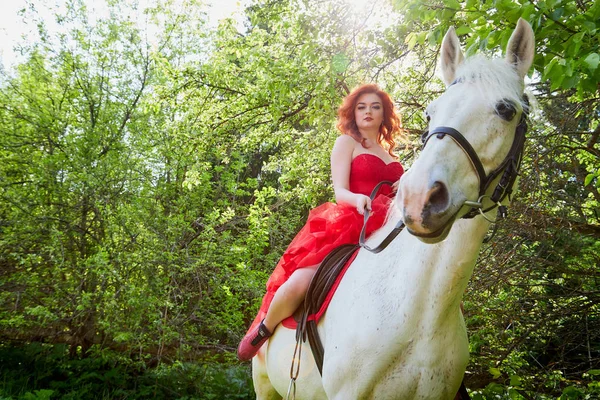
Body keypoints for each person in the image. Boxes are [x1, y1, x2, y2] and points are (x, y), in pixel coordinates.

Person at [237, 84, 405, 361]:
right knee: (303, 280)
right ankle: (264, 330)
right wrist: (358, 199)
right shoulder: (347, 143)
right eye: (362, 107)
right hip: (355, 221)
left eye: (375, 107)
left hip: (388, 229)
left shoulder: (392, 157)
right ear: (353, 112)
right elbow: (340, 191)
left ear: (384, 113)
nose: (368, 112)